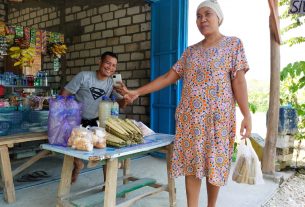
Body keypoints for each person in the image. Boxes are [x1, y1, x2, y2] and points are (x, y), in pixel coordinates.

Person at [116, 1, 252, 206]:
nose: (202, 19)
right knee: (192, 165)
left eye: (207, 14)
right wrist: (136, 92)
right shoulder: (190, 52)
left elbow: (239, 81)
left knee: (214, 164)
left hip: (218, 119)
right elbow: (167, 77)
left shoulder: (233, 44)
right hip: (190, 120)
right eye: (198, 16)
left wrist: (246, 114)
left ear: (219, 18)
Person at [61, 51, 127, 183]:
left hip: (97, 121)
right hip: (77, 120)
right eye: (108, 63)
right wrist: (62, 115)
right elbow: (65, 93)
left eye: (114, 65)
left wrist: (124, 94)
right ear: (100, 62)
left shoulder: (110, 83)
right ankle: (78, 163)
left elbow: (122, 104)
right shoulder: (84, 76)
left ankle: (107, 184)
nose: (110, 67)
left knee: (105, 150)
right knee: (68, 143)